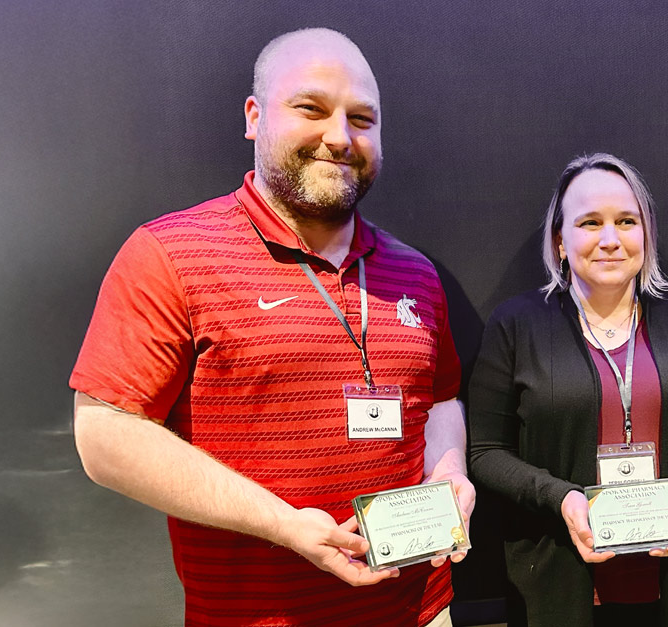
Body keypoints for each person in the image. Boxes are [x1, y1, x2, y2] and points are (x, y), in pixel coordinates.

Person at [70, 28, 472, 627]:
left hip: (423, 609)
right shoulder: (171, 254)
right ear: (254, 117)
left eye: (362, 118)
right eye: (311, 108)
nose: (340, 136)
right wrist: (284, 524)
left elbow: (438, 402)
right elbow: (105, 435)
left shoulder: (415, 271)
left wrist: (450, 472)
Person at [468, 153, 668, 626]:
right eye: (590, 223)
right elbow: (486, 452)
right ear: (560, 241)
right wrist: (561, 497)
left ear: (646, 233)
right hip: (558, 579)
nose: (610, 239)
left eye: (627, 221)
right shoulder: (516, 325)